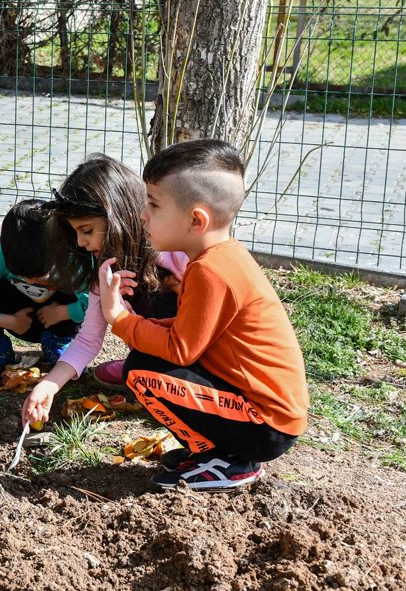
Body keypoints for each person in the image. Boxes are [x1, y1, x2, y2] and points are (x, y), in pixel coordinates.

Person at [98, 139, 308, 490]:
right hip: (267, 416)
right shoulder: (219, 259)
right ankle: (220, 453)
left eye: (153, 204)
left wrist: (118, 317)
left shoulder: (212, 272)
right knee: (148, 359)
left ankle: (225, 461)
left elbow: (181, 349)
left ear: (196, 220)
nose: (142, 215)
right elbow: (191, 333)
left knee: (141, 372)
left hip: (266, 425)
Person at [21, 155, 188, 427]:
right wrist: (49, 385)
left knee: (144, 364)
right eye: (75, 232)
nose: (81, 242)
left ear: (118, 217)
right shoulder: (106, 276)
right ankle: (145, 368)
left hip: (198, 356)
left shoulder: (177, 258)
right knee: (138, 367)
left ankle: (155, 374)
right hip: (159, 354)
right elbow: (87, 340)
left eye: (87, 230)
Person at [0, 199, 90, 388]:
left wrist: (63, 312)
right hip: (14, 318)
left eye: (41, 278)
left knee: (76, 287)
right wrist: (9, 321)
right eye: (22, 276)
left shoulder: (73, 262)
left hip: (55, 319)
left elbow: (96, 304)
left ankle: (57, 343)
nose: (32, 283)